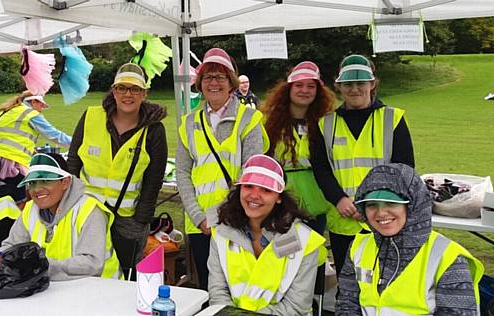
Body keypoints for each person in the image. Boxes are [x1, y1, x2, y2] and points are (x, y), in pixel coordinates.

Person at [311, 54, 415, 277]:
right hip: (343, 220)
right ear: (339, 86)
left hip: (384, 217)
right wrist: (339, 199)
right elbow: (321, 169)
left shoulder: (392, 117)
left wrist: (373, 205)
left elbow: (404, 169)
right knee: (347, 283)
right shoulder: (326, 123)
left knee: (384, 281)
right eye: (348, 84)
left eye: (361, 83)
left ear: (372, 84)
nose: (355, 89)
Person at [336, 163, 483, 315]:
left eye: (391, 203)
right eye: (372, 205)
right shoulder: (358, 248)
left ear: (414, 205)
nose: (380, 213)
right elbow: (347, 305)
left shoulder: (449, 258)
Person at [177, 47, 269, 290]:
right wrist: (199, 218)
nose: (213, 82)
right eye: (208, 77)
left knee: (241, 287)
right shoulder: (188, 123)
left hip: (239, 220)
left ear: (231, 82)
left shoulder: (249, 119)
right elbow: (182, 173)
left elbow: (253, 174)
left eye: (220, 76)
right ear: (200, 83)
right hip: (201, 225)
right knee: (210, 288)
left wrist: (230, 216)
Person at [66, 63, 167, 274]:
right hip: (87, 211)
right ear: (114, 91)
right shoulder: (91, 117)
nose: (127, 94)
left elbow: (154, 179)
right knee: (84, 270)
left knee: (125, 274)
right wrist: (70, 204)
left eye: (135, 89)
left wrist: (141, 218)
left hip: (127, 219)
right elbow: (74, 163)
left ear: (144, 93)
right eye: (122, 88)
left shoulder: (154, 129)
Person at [208, 155, 324, 315]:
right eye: (248, 186)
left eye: (266, 190)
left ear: (279, 198)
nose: (254, 195)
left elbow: (296, 307)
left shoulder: (303, 240)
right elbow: (218, 293)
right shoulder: (221, 232)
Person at [0, 153, 121, 281]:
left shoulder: (90, 210)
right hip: (53, 290)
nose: (37, 189)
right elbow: (12, 246)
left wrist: (39, 266)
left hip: (102, 292)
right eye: (33, 183)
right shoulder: (30, 209)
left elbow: (92, 264)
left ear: (65, 182)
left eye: (45, 181)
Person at [262, 61, 336, 235]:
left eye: (311, 86)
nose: (305, 90)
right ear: (289, 88)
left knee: (315, 255)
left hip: (316, 202)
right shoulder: (268, 122)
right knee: (286, 255)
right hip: (282, 202)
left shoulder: (326, 122)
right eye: (299, 85)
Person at [0, 91, 72, 203]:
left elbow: (10, 136)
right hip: (11, 161)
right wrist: (76, 143)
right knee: (23, 195)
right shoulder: (31, 114)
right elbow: (55, 135)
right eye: (41, 104)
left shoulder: (6, 111)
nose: (42, 108)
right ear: (33, 101)